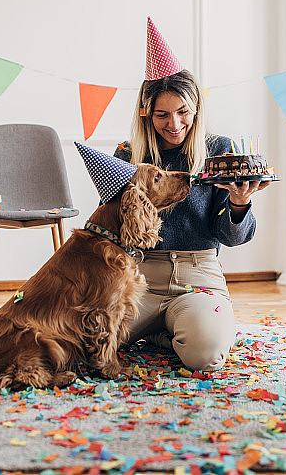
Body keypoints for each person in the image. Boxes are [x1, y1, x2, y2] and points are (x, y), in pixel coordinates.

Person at [113, 21, 270, 371]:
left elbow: (232, 237)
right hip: (138, 278)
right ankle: (161, 331)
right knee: (84, 342)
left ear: (196, 108)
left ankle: (172, 331)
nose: (174, 124)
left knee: (205, 355)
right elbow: (112, 227)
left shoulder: (219, 151)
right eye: (162, 114)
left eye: (183, 111)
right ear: (146, 113)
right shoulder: (126, 155)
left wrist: (240, 203)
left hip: (198, 278)